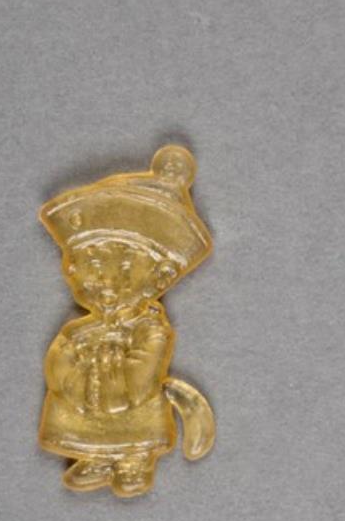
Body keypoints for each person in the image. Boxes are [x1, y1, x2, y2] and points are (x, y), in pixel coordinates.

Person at [38, 145, 215, 498]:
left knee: (135, 425)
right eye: (91, 269)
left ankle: (133, 462)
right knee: (85, 427)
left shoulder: (150, 329)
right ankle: (94, 458)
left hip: (130, 401)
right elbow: (56, 364)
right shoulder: (78, 331)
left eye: (121, 270)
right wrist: (70, 374)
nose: (103, 283)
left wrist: (118, 385)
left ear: (156, 280)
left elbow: (144, 371)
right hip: (84, 401)